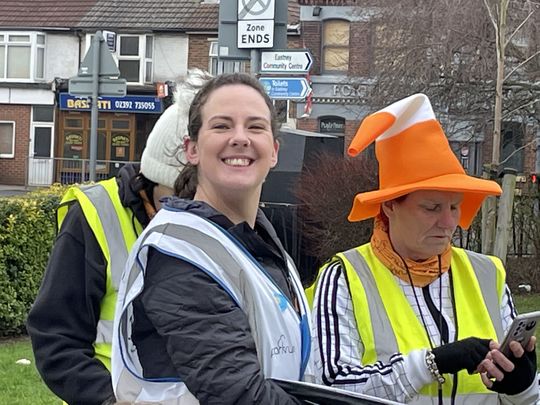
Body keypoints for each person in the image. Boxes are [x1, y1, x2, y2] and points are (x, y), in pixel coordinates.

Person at [309, 93, 538, 404]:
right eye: (431, 208)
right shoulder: (344, 277)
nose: (448, 222)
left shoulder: (487, 273)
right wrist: (429, 364)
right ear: (389, 206)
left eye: (455, 207)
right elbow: (331, 391)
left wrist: (522, 387)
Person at [111, 73, 312, 405]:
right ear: (191, 149)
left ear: (274, 151)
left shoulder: (256, 244)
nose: (240, 138)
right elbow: (241, 395)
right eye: (221, 126)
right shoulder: (180, 252)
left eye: (256, 126)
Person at [26, 69, 212, 405]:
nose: (185, 213)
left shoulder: (223, 219)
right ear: (149, 181)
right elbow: (56, 337)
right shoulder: (97, 214)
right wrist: (106, 399)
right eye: (173, 199)